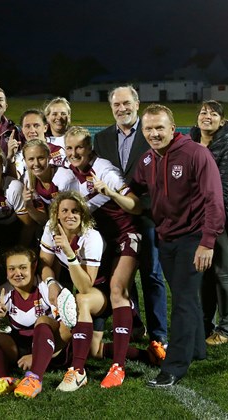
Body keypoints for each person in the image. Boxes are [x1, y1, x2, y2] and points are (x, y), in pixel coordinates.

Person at [126, 104, 224, 387]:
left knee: (182, 300)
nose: (154, 133)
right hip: (165, 238)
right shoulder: (147, 159)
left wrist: (207, 241)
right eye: (149, 129)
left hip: (193, 238)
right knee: (186, 296)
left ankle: (173, 367)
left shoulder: (196, 154)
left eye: (160, 127)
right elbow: (135, 188)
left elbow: (214, 199)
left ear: (172, 128)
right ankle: (197, 349)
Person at [40, 191, 165, 391]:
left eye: (75, 211)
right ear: (56, 214)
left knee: (81, 300)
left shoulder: (91, 237)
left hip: (102, 291)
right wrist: (51, 282)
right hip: (90, 292)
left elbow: (86, 286)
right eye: (64, 211)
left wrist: (70, 254)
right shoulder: (51, 228)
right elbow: (45, 263)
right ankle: (147, 355)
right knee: (94, 350)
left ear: (83, 215)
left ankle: (78, 372)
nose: (70, 215)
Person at [57, 126, 144, 388]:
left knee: (117, 290)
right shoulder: (66, 172)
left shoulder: (104, 169)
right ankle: (143, 352)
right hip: (98, 245)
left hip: (124, 238)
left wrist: (111, 193)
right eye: (69, 148)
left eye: (79, 147)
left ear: (90, 147)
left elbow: (137, 206)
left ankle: (118, 367)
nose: (74, 153)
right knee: (94, 346)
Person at [94, 85, 167, 345]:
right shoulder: (102, 138)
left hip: (146, 214)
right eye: (116, 104)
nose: (122, 108)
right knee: (121, 274)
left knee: (151, 274)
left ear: (137, 104)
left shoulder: (150, 133)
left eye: (126, 103)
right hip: (115, 219)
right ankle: (135, 325)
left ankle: (159, 334)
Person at [0, 246, 72, 399]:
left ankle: (35, 378)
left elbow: (67, 329)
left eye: (23, 268)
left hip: (54, 349)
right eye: (12, 269)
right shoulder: (1, 293)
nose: (17, 273)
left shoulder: (48, 289)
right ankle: (3, 379)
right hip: (21, 348)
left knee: (43, 320)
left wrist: (35, 356)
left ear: (34, 266)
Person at [190, 100, 228, 345]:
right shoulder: (190, 141)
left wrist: (214, 221)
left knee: (222, 273)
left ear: (221, 122)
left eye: (213, 114)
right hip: (196, 218)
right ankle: (205, 324)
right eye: (204, 112)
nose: (207, 116)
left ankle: (225, 329)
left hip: (221, 217)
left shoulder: (226, 144)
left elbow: (223, 189)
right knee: (203, 272)